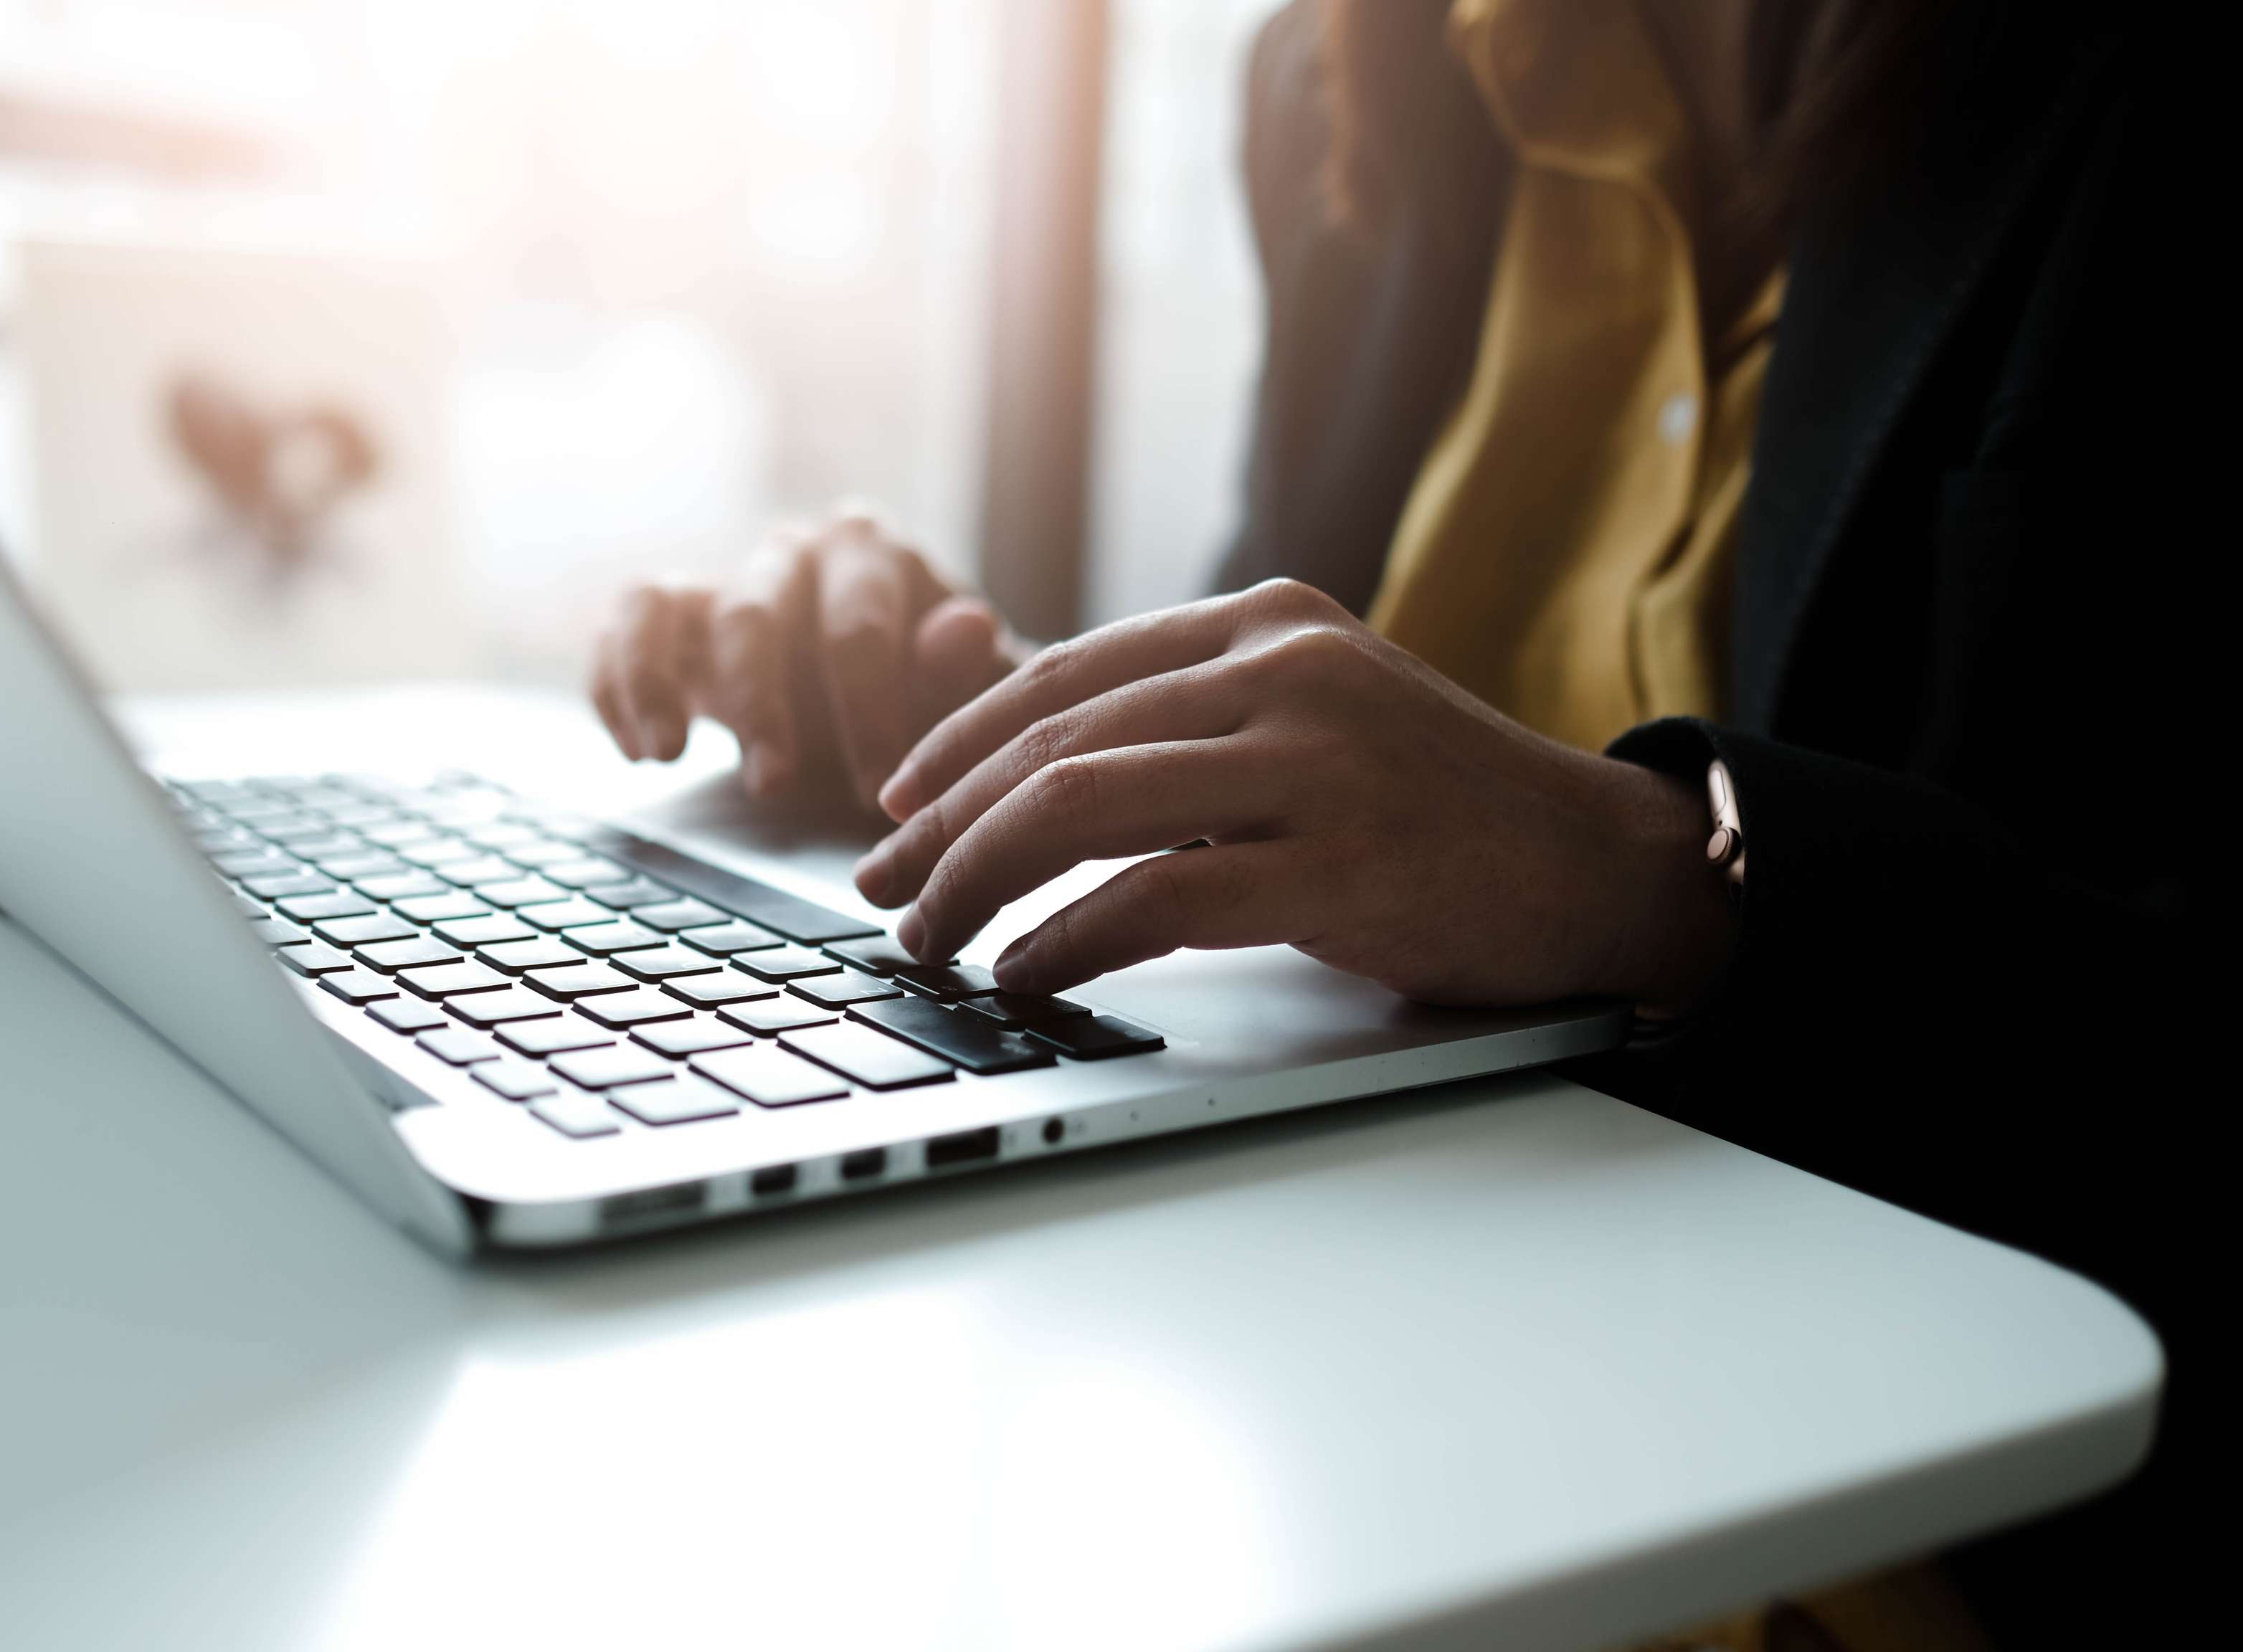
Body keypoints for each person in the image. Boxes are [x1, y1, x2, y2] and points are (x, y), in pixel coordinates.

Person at [592, 1, 2196, 1642]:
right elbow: (1330, 729)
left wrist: (1668, 876)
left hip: (1900, 1539)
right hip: (1321, 1448)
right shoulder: (1354, 78)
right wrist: (979, 721)